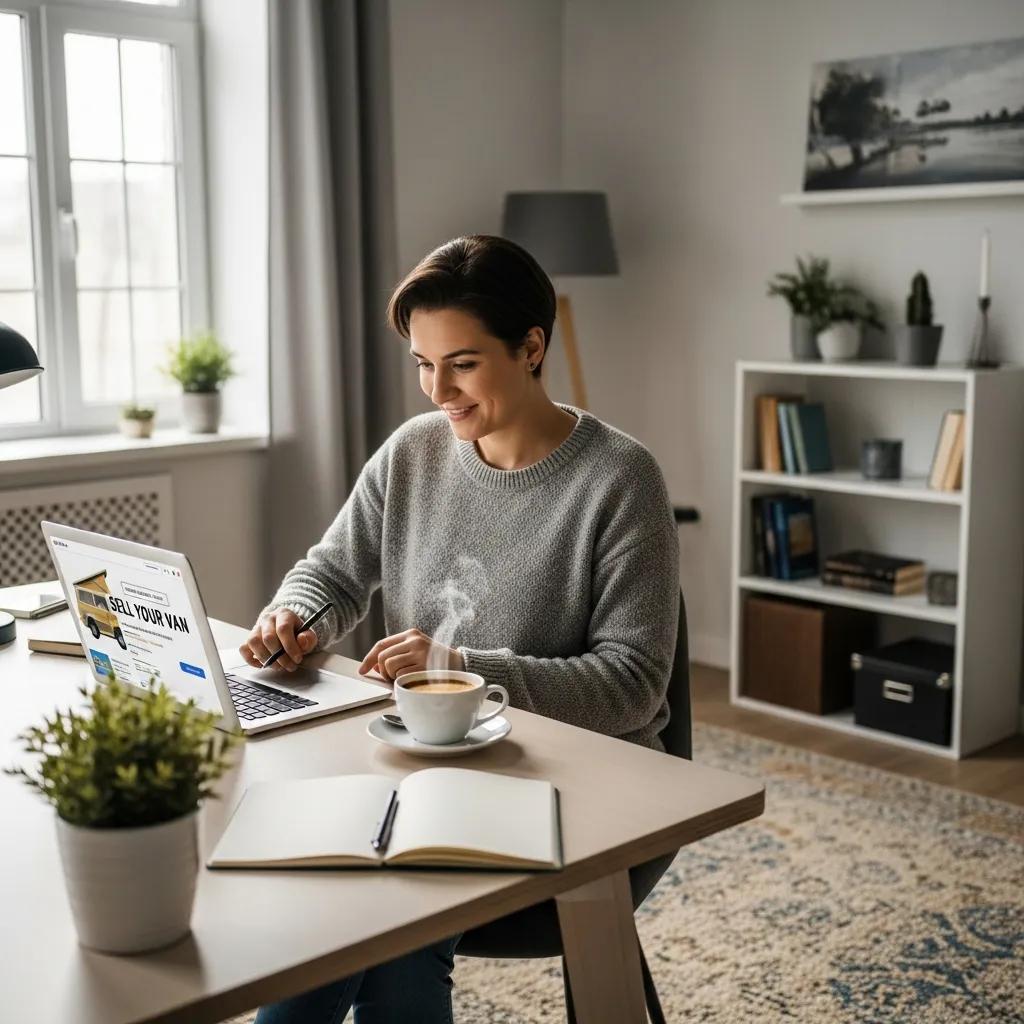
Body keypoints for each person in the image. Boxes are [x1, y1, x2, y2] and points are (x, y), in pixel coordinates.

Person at [245, 234, 680, 1024]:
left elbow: (632, 685)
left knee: (390, 907)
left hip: (581, 783)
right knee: (314, 879)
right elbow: (332, 572)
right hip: (423, 767)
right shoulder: (414, 454)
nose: (436, 390)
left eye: (463, 363)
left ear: (532, 347)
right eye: (421, 362)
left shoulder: (620, 479)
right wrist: (296, 618)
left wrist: (461, 670)